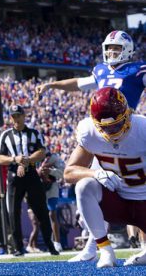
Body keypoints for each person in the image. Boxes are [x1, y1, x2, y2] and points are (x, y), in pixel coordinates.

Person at [38, 30, 146, 260]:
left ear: (127, 49)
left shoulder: (138, 69)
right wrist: (53, 85)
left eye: (116, 49)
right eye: (109, 49)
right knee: (92, 182)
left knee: (134, 187)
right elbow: (79, 83)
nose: (112, 53)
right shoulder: (101, 70)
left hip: (129, 130)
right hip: (103, 133)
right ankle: (94, 247)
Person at [63, 87, 146, 268]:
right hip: (118, 203)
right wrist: (95, 173)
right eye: (105, 127)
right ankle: (106, 251)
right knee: (84, 185)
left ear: (127, 114)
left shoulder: (143, 129)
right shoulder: (89, 132)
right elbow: (69, 173)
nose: (111, 131)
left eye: (116, 124)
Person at [0, 105, 59, 256]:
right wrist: (14, 159)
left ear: (24, 116)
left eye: (18, 115)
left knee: (42, 210)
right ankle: (18, 248)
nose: (16, 119)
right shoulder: (5, 135)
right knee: (13, 211)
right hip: (14, 175)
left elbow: (42, 152)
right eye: (13, 116)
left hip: (31, 173)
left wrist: (26, 161)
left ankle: (50, 245)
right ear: (10, 118)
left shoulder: (34, 133)